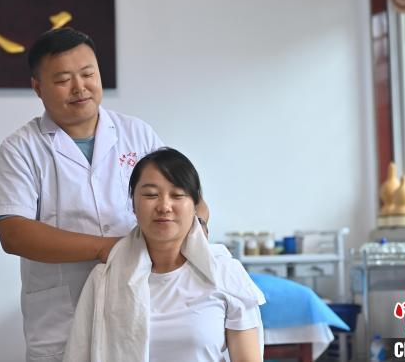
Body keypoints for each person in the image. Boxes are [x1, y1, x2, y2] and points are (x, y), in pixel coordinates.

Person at [0, 27, 209, 361]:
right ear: (38, 88)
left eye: (88, 74)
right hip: (62, 318)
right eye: (63, 80)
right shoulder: (21, 148)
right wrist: (106, 248)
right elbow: (13, 233)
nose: (80, 87)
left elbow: (190, 199)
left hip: (142, 303)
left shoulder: (137, 133)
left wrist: (197, 230)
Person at [64, 148, 264, 362]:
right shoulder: (104, 280)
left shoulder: (225, 273)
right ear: (133, 203)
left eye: (177, 195)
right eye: (151, 195)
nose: (164, 206)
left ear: (195, 205)